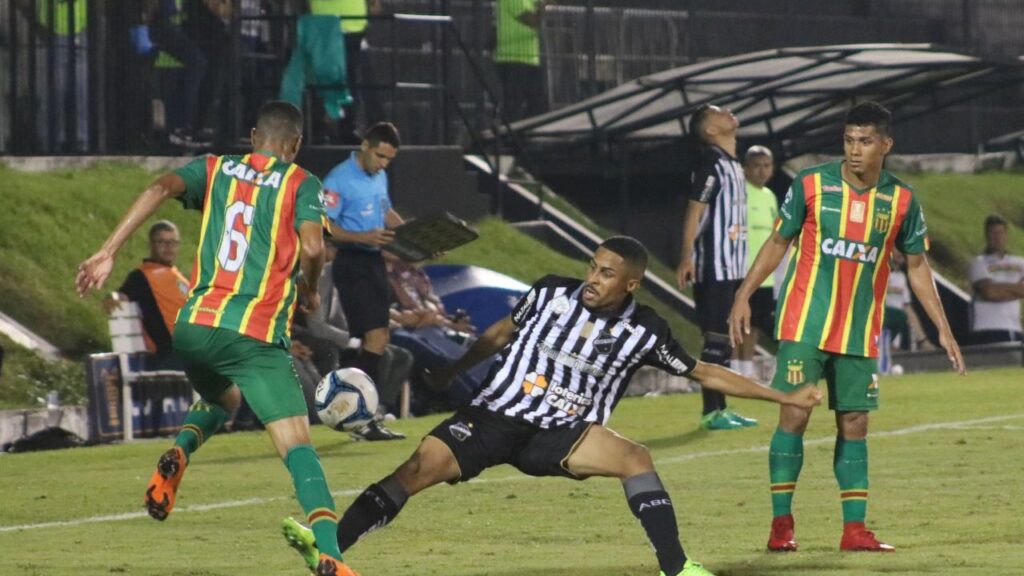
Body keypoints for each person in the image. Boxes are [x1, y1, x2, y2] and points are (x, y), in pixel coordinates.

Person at [280, 236, 823, 576]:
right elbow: (497, 334)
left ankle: (677, 567)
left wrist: (781, 396)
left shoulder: (645, 330)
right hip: (494, 415)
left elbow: (703, 371)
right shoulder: (549, 292)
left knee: (636, 458)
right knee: (413, 471)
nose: (592, 279)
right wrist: (451, 372)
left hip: (561, 432)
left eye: (606, 274)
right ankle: (329, 550)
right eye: (592, 266)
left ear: (630, 283)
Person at [75, 101, 359, 576]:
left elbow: (159, 186)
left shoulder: (215, 167)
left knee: (223, 398)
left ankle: (179, 453)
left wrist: (107, 251)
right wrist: (308, 288)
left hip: (193, 329)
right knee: (298, 448)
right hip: (253, 336)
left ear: (253, 137)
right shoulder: (300, 182)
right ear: (295, 145)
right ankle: (332, 554)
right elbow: (313, 246)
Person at [728, 101, 966, 554]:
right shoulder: (812, 184)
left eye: (865, 141)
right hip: (805, 322)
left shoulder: (901, 200)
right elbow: (779, 241)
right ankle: (782, 523)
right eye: (849, 140)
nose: (855, 151)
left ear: (885, 144)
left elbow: (917, 265)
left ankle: (854, 529)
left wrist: (944, 328)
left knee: (854, 423)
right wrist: (743, 293)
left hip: (859, 329)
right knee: (794, 413)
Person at [676, 104, 757, 430]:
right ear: (710, 130)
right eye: (719, 112)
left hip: (733, 267)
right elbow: (694, 211)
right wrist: (686, 257)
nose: (728, 113)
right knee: (714, 339)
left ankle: (721, 406)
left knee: (724, 340)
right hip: (714, 266)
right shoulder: (711, 163)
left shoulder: (733, 164)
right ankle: (712, 410)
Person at [103, 220, 189, 369]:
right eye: (162, 242)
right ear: (151, 245)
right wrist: (113, 298)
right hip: (172, 354)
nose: (168, 247)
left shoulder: (177, 276)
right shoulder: (142, 276)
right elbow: (120, 296)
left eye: (173, 242)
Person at [15, 0, 90, 152]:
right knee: (53, 92)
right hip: (50, 31)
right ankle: (53, 143)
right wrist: (33, 21)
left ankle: (80, 141)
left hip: (80, 30)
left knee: (82, 91)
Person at [734, 145, 778, 378]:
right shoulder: (739, 194)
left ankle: (747, 368)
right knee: (738, 320)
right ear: (746, 169)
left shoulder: (770, 196)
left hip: (766, 275)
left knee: (756, 323)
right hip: (741, 270)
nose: (762, 171)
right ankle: (734, 365)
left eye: (766, 166)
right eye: (756, 166)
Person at [967, 214, 1024, 344]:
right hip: (986, 328)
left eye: (1000, 233)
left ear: (1006, 235)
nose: (997, 238)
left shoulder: (1020, 262)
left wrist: (1001, 288)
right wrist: (1017, 290)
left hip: (1014, 328)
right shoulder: (978, 263)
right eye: (993, 233)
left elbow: (996, 291)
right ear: (986, 236)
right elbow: (990, 292)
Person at [494, 0, 548, 121]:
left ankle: (524, 136)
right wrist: (542, 6)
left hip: (529, 59)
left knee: (539, 105)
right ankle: (510, 136)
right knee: (513, 107)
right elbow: (532, 21)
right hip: (512, 58)